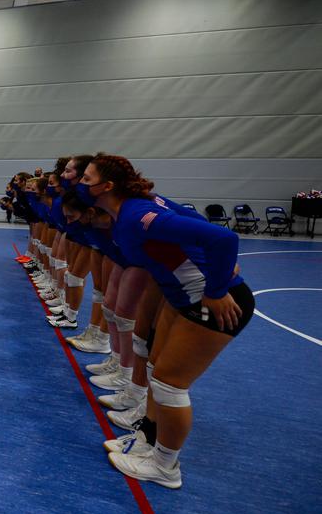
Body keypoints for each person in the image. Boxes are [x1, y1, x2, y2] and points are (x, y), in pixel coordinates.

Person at [79, 154, 254, 489]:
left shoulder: (135, 214)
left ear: (107, 186)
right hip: (180, 297)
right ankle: (148, 437)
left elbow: (223, 239)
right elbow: (188, 216)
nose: (80, 184)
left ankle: (165, 467)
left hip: (208, 302)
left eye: (87, 179)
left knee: (170, 384)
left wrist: (217, 287)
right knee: (156, 367)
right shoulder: (135, 206)